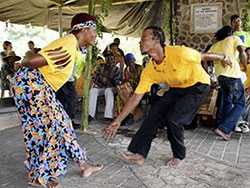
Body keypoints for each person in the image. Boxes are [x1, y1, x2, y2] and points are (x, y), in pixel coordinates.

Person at [103, 26, 231, 167]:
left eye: (144, 39)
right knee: (153, 114)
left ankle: (179, 155)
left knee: (173, 119)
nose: (140, 42)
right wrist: (118, 121)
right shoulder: (150, 69)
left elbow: (203, 56)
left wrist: (223, 57)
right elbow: (136, 97)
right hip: (177, 88)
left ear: (156, 40)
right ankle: (139, 154)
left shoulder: (179, 52)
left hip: (198, 85)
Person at [12, 13, 103, 187]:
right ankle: (41, 176)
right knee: (48, 129)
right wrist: (23, 62)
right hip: (32, 84)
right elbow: (34, 61)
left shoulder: (72, 45)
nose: (95, 35)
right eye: (94, 30)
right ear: (84, 29)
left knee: (63, 124)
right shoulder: (69, 43)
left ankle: (83, 164)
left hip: (34, 85)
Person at [208, 26, 247, 140]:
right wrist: (244, 66)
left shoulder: (215, 45)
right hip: (233, 75)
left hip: (221, 77)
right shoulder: (234, 38)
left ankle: (223, 128)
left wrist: (210, 76)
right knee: (240, 103)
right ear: (230, 33)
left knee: (227, 103)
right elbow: (242, 51)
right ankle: (224, 128)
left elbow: (205, 60)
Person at [88, 53, 122, 122]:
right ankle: (90, 115)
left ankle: (108, 116)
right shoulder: (101, 67)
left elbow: (117, 82)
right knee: (93, 91)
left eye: (111, 59)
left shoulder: (116, 69)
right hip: (101, 87)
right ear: (106, 60)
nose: (110, 61)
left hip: (112, 88)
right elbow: (95, 78)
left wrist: (107, 80)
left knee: (108, 91)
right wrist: (100, 80)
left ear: (114, 60)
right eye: (108, 59)